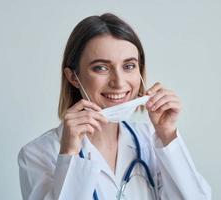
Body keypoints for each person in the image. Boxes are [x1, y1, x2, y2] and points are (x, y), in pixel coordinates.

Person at [18, 13, 211, 200]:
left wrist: (167, 134)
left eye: (129, 66)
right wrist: (70, 154)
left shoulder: (151, 139)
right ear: (73, 77)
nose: (118, 82)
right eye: (101, 67)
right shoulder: (38, 154)